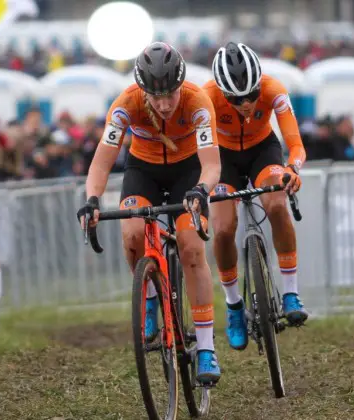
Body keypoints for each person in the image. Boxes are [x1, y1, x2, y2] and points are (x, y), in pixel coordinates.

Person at [76, 42, 223, 384]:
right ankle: (151, 298)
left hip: (190, 172)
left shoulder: (198, 102)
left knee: (191, 248)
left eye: (171, 94)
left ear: (181, 84)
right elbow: (102, 161)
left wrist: (201, 190)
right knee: (132, 235)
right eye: (156, 97)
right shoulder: (125, 104)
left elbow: (212, 165)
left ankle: (205, 347)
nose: (164, 103)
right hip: (144, 171)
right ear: (142, 90)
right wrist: (93, 200)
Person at [204, 42, 309, 351]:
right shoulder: (206, 97)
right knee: (223, 229)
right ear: (223, 93)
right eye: (237, 99)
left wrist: (292, 169)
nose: (246, 103)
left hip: (263, 151)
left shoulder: (274, 89)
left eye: (251, 95)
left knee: (276, 204)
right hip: (222, 159)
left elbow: (296, 144)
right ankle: (234, 305)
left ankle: (290, 292)